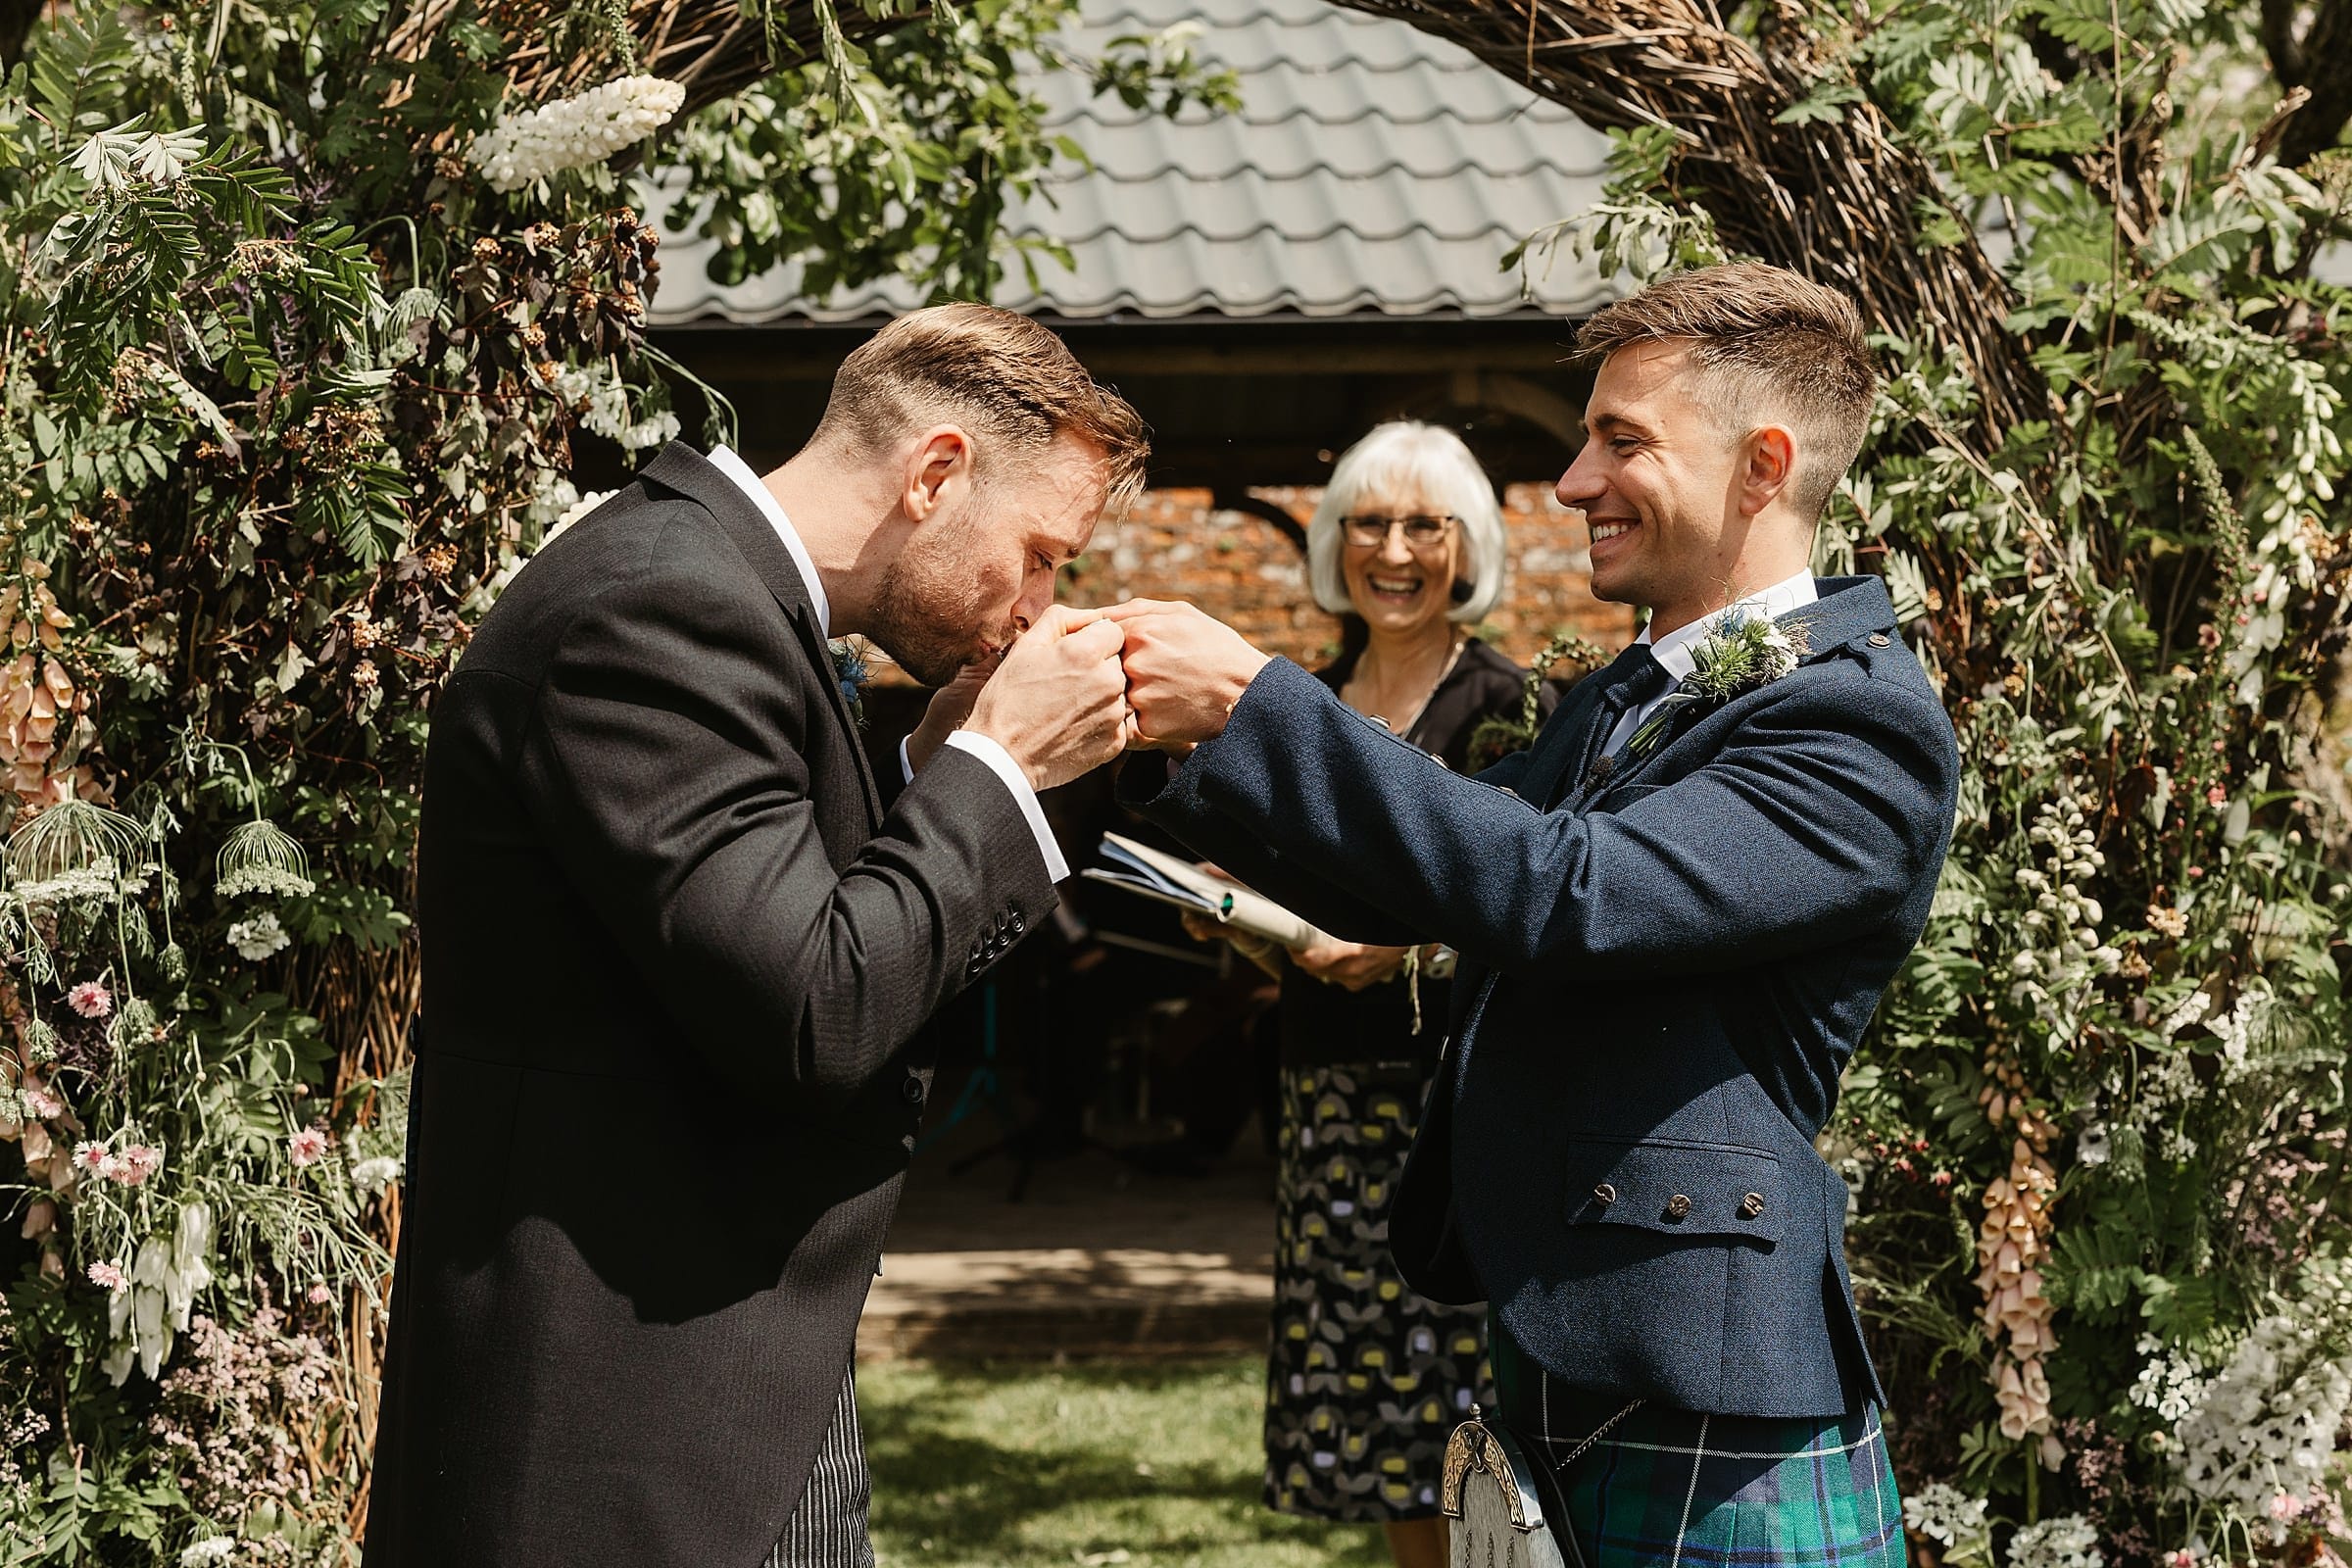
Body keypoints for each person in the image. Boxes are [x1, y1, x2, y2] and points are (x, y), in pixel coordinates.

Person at [1112, 263, 1959, 1567]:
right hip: (1571, 1341)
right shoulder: (1632, 696)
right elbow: (1420, 865)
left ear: (1763, 464)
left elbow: (1568, 888)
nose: (1571, 483)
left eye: (1622, 441)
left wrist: (1253, 698)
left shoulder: (1858, 725)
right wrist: (1126, 736)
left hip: (1702, 1369)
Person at [367, 304, 1149, 1568]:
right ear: (935, 473)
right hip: (620, 1433)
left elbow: (757, 926)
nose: (1033, 609)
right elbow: (812, 1009)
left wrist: (931, 775)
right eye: (1040, 553)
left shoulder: (733, 600)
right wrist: (998, 769)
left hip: (737, 1401)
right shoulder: (659, 607)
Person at [1181, 421, 1549, 1568]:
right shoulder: (1308, 703)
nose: (1393, 550)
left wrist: (1413, 959)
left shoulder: (1509, 708)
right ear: (1337, 544)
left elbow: (1542, 913)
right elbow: (1295, 905)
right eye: (1369, 525)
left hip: (1450, 1109)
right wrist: (1232, 917)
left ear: (1467, 545)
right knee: (1387, 1432)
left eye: (1422, 526)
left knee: (1465, 1413)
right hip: (1328, 1107)